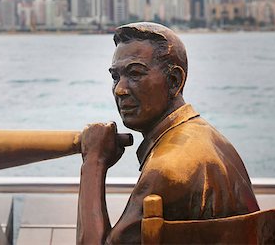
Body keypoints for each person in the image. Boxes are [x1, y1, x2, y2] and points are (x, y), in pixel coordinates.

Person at [77, 22, 259, 244]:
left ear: (174, 81)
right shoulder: (209, 138)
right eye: (115, 77)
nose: (120, 89)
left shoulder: (168, 168)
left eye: (135, 74)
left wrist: (93, 161)